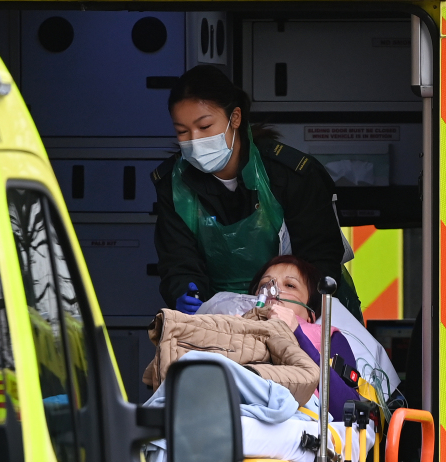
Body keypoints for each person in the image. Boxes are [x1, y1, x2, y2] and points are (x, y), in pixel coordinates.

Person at [151, 65, 361, 319]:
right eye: (182, 132)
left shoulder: (291, 175)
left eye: (204, 127)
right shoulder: (174, 185)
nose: (194, 140)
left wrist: (297, 311)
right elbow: (178, 262)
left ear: (235, 118)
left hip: (303, 313)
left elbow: (320, 258)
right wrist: (186, 293)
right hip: (222, 317)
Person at [249, 255, 361, 420]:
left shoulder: (326, 338)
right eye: (264, 285)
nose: (273, 291)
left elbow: (347, 410)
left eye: (290, 285)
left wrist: (297, 335)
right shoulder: (236, 326)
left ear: (310, 313)